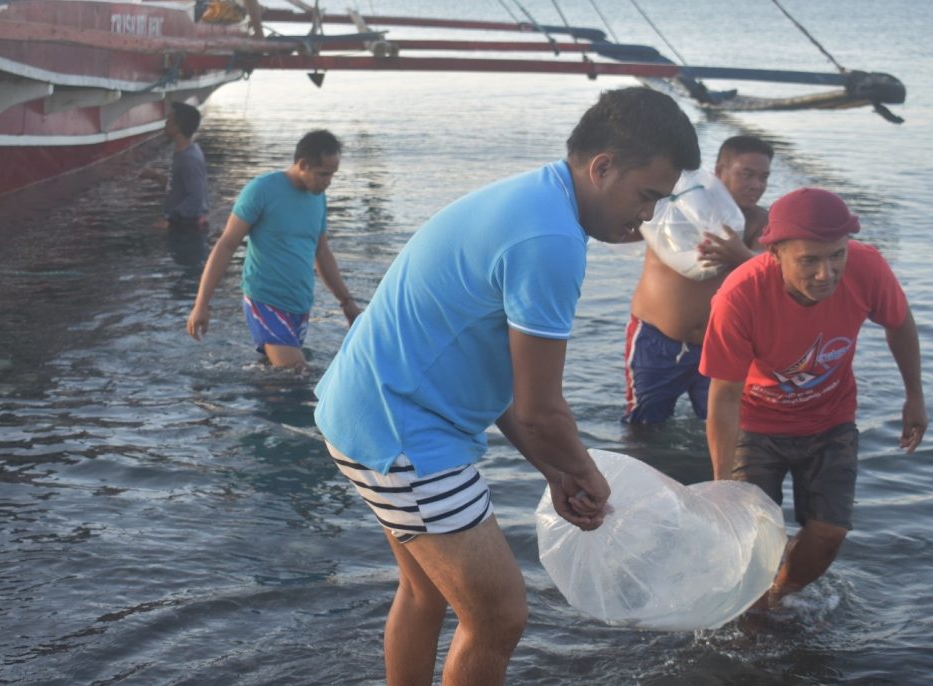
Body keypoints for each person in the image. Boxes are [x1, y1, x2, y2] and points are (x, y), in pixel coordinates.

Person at [313, 88, 700, 685]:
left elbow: (508, 387)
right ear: (602, 168)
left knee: (424, 592)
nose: (648, 217)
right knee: (498, 617)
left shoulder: (536, 200)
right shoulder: (550, 243)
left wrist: (556, 470)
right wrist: (587, 474)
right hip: (404, 435)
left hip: (365, 408)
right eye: (646, 195)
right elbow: (542, 411)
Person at [700, 187, 927, 609]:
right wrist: (721, 487)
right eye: (809, 260)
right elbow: (724, 396)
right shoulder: (739, 296)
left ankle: (775, 598)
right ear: (775, 254)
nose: (827, 273)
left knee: (829, 534)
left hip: (831, 419)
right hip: (755, 424)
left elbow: (899, 321)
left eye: (836, 255)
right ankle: (747, 613)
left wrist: (915, 395)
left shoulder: (867, 266)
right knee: (752, 538)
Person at [624, 135, 773, 423]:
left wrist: (740, 254)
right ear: (719, 171)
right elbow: (619, 228)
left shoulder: (760, 222)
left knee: (727, 427)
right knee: (643, 427)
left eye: (764, 177)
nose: (757, 185)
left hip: (719, 347)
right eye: (747, 174)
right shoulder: (675, 208)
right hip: (656, 339)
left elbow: (780, 270)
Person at [186, 129, 360, 369]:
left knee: (276, 379)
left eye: (332, 175)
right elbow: (226, 245)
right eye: (323, 174)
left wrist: (346, 301)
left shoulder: (318, 197)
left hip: (299, 303)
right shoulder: (261, 190)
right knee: (296, 372)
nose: (328, 182)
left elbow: (321, 252)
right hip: (264, 299)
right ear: (303, 164)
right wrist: (202, 303)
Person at [144, 101, 209, 230]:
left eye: (169, 120)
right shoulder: (186, 151)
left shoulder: (189, 159)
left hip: (187, 228)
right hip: (184, 223)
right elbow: (179, 187)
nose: (165, 123)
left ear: (178, 127)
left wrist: (169, 220)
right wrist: (156, 176)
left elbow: (196, 198)